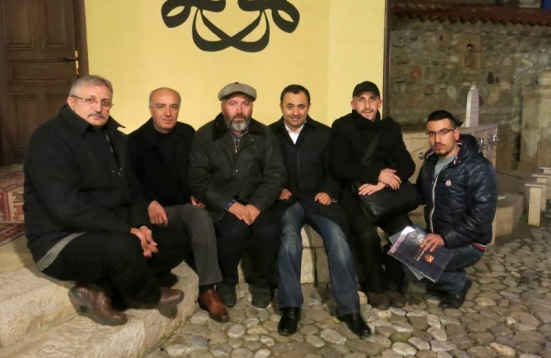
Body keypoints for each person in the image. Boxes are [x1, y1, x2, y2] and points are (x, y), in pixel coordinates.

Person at [23, 75, 187, 326]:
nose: (98, 107)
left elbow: (133, 189)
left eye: (105, 102)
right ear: (71, 102)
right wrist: (127, 231)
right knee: (125, 247)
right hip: (62, 239)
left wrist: (141, 225)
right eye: (90, 100)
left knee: (175, 239)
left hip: (109, 228)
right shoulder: (49, 138)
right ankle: (145, 295)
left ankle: (101, 289)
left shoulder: (116, 138)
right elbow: (66, 207)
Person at [270, 84, 370, 338]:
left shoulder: (324, 134)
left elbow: (335, 169)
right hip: (287, 202)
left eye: (300, 106)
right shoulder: (269, 135)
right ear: (281, 106)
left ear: (309, 107)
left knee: (337, 237)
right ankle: (290, 308)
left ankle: (350, 309)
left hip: (317, 201)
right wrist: (276, 189)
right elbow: (264, 170)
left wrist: (329, 190)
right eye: (290, 106)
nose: (295, 112)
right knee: (289, 240)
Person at [127, 87, 229, 322]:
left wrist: (195, 194)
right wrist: (149, 203)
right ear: (151, 109)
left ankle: (208, 291)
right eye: (161, 106)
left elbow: (196, 171)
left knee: (200, 215)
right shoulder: (134, 140)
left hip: (181, 207)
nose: (168, 113)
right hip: (149, 210)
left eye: (173, 107)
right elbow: (130, 184)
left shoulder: (187, 133)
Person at [189, 82, 286, 309]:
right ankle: (227, 282)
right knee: (233, 230)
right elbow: (198, 179)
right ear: (223, 107)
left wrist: (256, 205)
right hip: (222, 203)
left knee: (269, 230)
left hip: (258, 200)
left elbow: (276, 175)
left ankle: (262, 284)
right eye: (233, 104)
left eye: (245, 104)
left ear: (252, 107)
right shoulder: (205, 135)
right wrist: (229, 204)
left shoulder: (265, 134)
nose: (240, 110)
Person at [330, 81, 415, 309]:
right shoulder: (342, 127)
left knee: (405, 231)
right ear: (353, 103)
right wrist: (377, 174)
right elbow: (340, 165)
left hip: (384, 194)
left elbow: (407, 164)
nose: (367, 105)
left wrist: (382, 183)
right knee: (367, 236)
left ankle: (395, 284)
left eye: (372, 99)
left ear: (379, 103)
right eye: (361, 100)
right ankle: (376, 287)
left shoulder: (390, 128)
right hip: (355, 194)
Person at [416, 110, 497, 309]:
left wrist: (444, 238)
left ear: (456, 133)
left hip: (469, 242)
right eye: (432, 133)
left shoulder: (477, 167)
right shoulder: (431, 161)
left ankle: (458, 283)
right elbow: (418, 193)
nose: (437, 139)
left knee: (416, 261)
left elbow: (482, 217)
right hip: (437, 235)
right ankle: (439, 274)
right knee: (397, 250)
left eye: (443, 132)